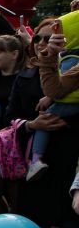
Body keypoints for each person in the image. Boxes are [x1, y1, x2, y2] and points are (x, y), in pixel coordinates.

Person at [28, 17, 79, 181]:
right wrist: (29, 124)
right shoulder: (23, 77)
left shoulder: (70, 58)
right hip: (56, 164)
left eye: (50, 38)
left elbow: (55, 90)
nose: (42, 43)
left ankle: (36, 159)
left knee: (48, 115)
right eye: (37, 38)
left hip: (66, 155)